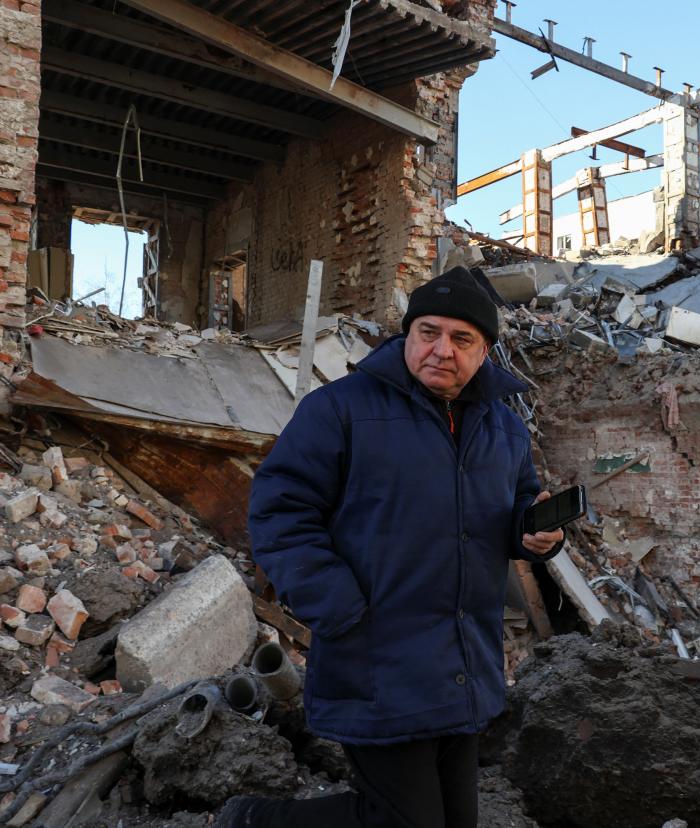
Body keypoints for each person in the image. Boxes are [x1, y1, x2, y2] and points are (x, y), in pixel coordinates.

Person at [222, 266, 564, 828]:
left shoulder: (504, 429)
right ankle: (256, 821)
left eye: (462, 339)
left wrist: (535, 533)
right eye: (428, 332)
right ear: (407, 334)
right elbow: (279, 511)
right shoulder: (341, 410)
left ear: (485, 351)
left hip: (463, 659)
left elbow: (517, 507)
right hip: (377, 659)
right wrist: (338, 608)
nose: (441, 350)